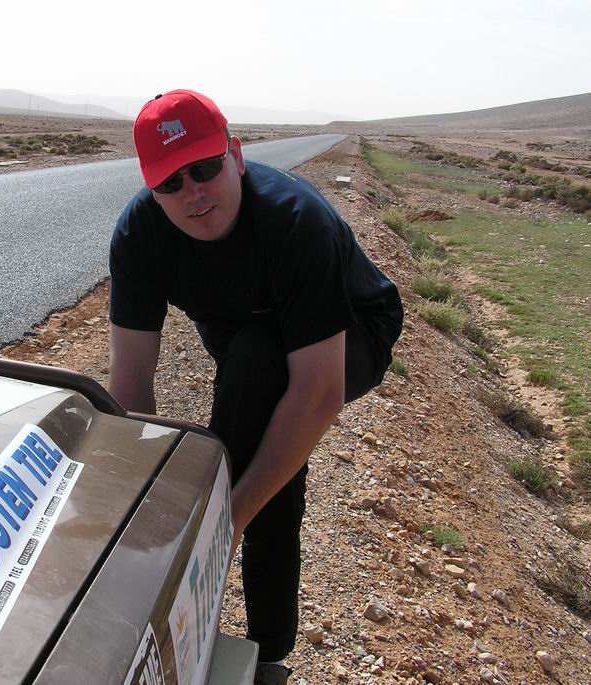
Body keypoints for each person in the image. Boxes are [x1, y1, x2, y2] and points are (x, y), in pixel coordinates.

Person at [107, 89, 403, 684]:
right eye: (170, 182)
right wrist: (141, 504)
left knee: (259, 439)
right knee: (251, 386)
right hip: (247, 336)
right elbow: (131, 381)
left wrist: (227, 521)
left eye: (205, 168)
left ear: (236, 155)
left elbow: (318, 392)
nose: (192, 192)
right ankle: (216, 628)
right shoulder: (141, 234)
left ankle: (266, 652)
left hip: (352, 332)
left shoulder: (295, 221)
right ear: (151, 188)